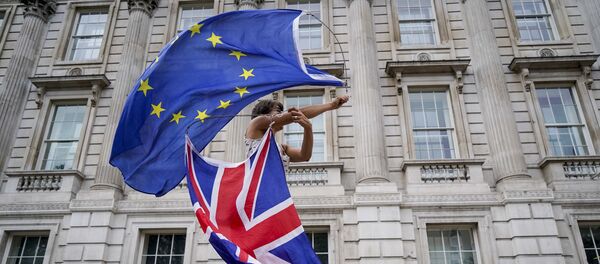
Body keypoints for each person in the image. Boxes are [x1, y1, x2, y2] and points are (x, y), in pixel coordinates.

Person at [245, 95, 349, 163]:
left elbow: (304, 156)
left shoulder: (282, 148)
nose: (281, 113)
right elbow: (295, 114)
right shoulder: (256, 123)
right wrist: (330, 105)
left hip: (276, 193)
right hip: (257, 191)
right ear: (264, 113)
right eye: (277, 110)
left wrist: (308, 129)